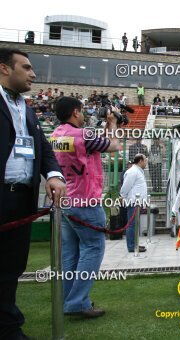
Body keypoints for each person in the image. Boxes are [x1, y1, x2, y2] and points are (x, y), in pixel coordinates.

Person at [0, 48, 66, 339]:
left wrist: (52, 174)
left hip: (21, 198)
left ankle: (8, 325)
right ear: (4, 69)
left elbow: (42, 146)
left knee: (12, 265)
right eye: (26, 67)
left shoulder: (26, 108)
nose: (33, 74)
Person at [51, 96, 121, 318]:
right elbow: (115, 145)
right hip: (85, 200)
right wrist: (115, 124)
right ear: (75, 112)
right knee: (93, 249)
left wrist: (107, 124)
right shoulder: (83, 135)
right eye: (81, 111)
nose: (83, 115)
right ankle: (78, 302)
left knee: (70, 254)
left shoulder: (55, 135)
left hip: (64, 200)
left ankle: (68, 300)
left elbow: (91, 144)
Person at [120, 153, 149, 253]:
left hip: (138, 202)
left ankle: (135, 244)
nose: (146, 163)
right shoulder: (132, 171)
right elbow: (126, 186)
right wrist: (122, 195)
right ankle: (132, 246)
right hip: (133, 202)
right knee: (132, 225)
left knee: (135, 225)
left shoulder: (138, 171)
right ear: (140, 161)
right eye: (145, 160)